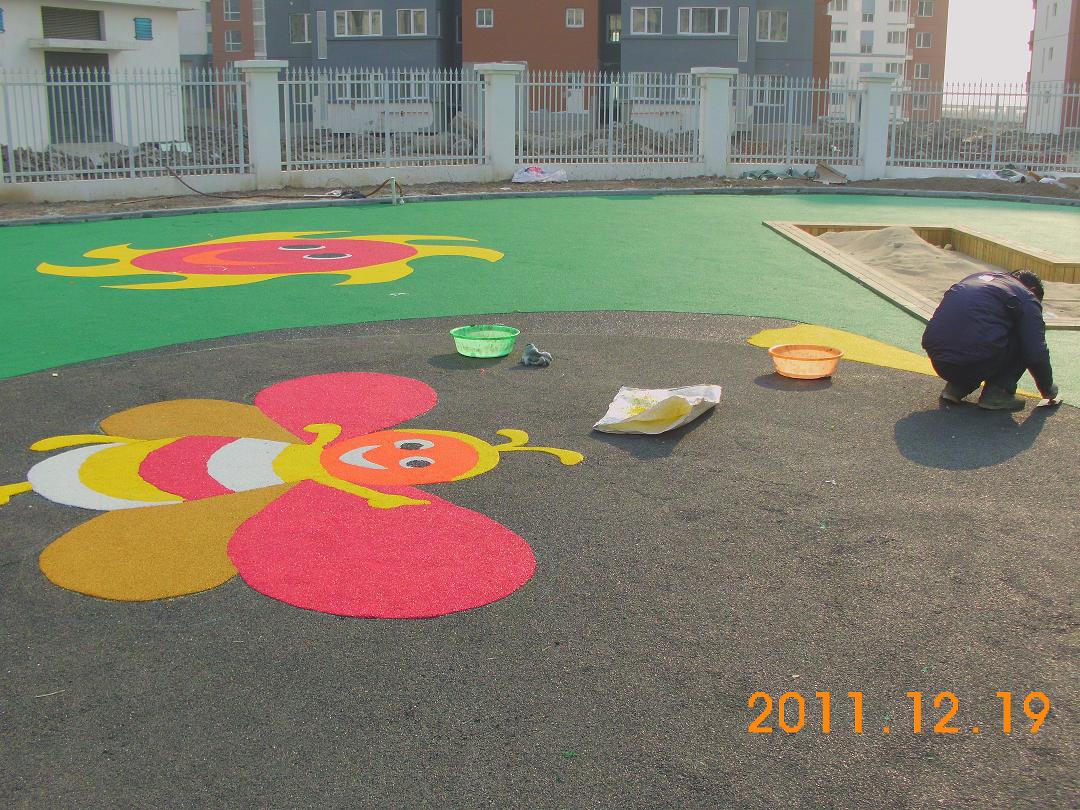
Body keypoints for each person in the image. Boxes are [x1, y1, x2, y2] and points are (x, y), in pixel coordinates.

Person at [921, 270, 1058, 411]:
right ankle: (997, 393)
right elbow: (1036, 351)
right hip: (974, 362)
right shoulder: (1026, 296)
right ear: (1033, 290)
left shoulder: (975, 277)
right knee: (1025, 335)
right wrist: (1047, 388)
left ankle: (957, 387)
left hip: (939, 360)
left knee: (979, 332)